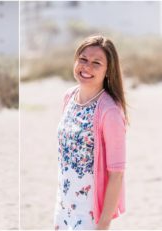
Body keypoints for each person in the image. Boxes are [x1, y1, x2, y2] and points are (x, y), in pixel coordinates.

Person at [54, 35, 127, 230]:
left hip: (89, 214)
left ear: (107, 71)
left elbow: (117, 174)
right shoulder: (69, 97)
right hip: (63, 208)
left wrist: (103, 225)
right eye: (83, 59)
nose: (87, 67)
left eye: (97, 63)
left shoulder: (109, 112)